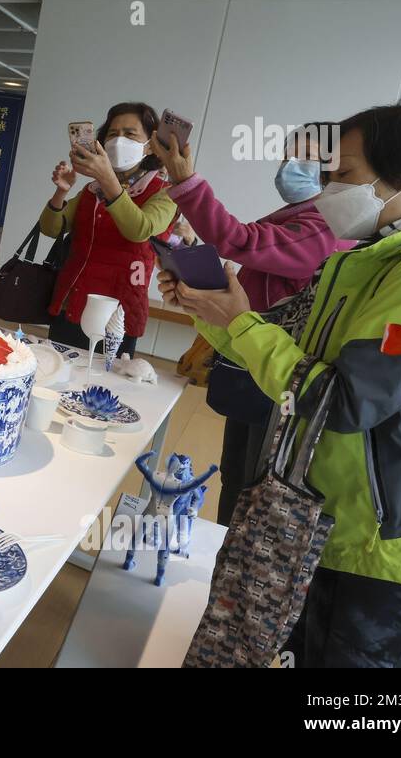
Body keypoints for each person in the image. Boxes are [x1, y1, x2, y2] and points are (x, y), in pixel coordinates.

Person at [161, 100, 401, 668]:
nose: (329, 186)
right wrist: (209, 309)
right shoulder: (366, 261)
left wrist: (236, 320)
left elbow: (342, 400)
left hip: (383, 547)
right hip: (317, 524)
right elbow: (287, 345)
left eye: (344, 173)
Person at [149, 122, 353, 525]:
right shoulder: (298, 218)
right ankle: (223, 558)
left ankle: (233, 567)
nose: (292, 166)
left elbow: (240, 240)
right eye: (288, 155)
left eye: (309, 158)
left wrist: (185, 180)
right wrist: (197, 291)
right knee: (236, 477)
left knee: (254, 487)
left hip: (277, 378)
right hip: (250, 364)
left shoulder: (323, 228)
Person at [40, 102, 177, 356]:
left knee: (102, 388)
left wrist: (108, 181)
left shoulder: (164, 191)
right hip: (72, 301)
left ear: (150, 145)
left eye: (130, 134)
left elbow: (140, 230)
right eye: (113, 134)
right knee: (57, 375)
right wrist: (61, 192)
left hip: (118, 313)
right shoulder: (92, 190)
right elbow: (51, 228)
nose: (118, 141)